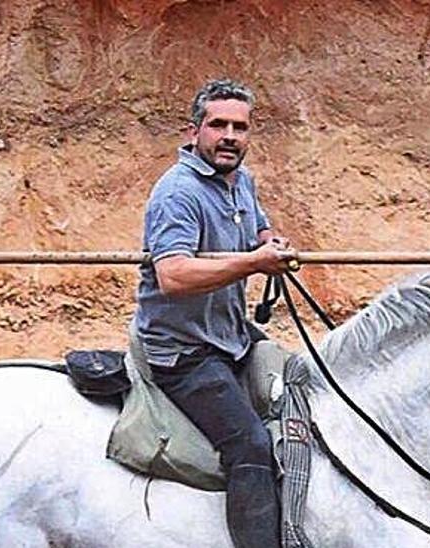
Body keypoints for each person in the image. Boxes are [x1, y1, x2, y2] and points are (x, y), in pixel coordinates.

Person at [135, 79, 294, 548]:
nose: (229, 135)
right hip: (182, 351)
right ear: (193, 131)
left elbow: (258, 228)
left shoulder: (239, 180)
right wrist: (253, 263)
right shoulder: (177, 193)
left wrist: (270, 245)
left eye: (239, 127)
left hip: (230, 337)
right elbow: (174, 275)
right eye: (218, 124)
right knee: (251, 445)